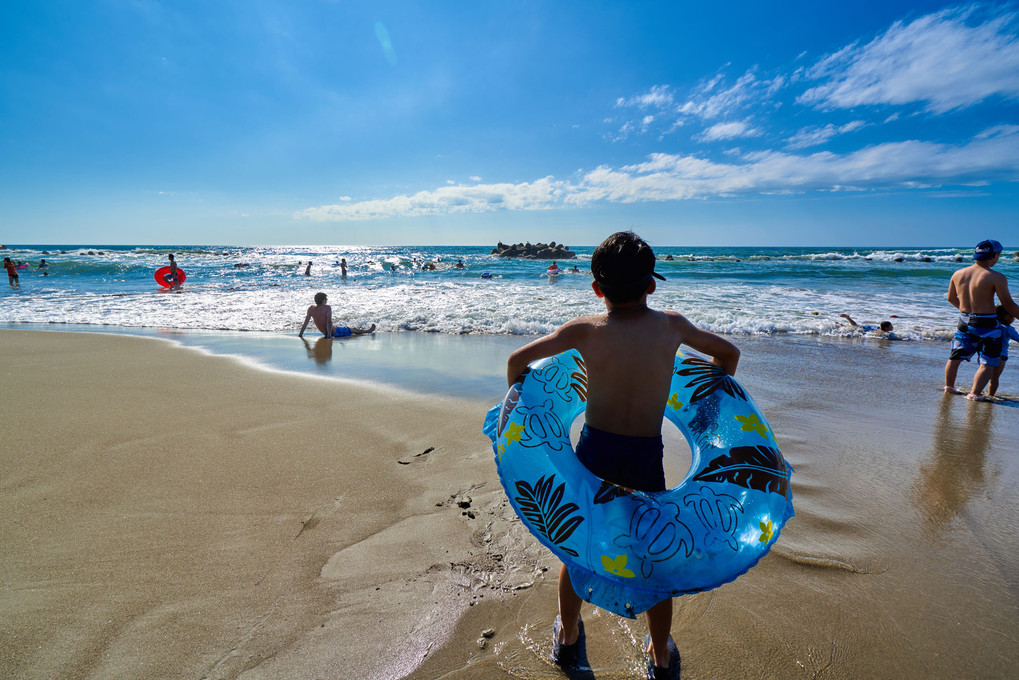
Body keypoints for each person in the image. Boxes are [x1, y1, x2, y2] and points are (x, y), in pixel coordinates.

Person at [505, 231, 739, 678]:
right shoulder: (673, 326)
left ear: (596, 289)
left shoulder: (583, 331)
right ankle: (659, 654)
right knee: (654, 550)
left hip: (595, 451)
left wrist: (524, 411)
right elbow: (728, 354)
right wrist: (708, 403)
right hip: (646, 457)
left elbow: (517, 362)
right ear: (652, 285)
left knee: (578, 546)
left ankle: (570, 637)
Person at [944, 239, 1019, 400]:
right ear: (995, 256)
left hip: (964, 321)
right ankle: (974, 394)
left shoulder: (958, 274)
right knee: (988, 362)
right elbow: (1008, 304)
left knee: (955, 357)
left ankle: (949, 387)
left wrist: (967, 313)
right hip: (987, 324)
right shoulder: (996, 277)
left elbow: (951, 298)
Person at [298, 292, 376, 339]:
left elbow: (306, 323)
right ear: (323, 301)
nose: (327, 301)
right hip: (335, 332)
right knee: (352, 329)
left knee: (352, 330)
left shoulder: (311, 308)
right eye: (326, 299)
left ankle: (361, 329)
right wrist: (329, 335)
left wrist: (301, 334)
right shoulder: (327, 308)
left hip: (330, 331)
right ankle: (368, 331)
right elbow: (329, 322)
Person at [989, 305, 1019, 399]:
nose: (1013, 319)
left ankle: (976, 390)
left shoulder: (992, 324)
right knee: (994, 378)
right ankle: (990, 395)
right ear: (1007, 316)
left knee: (984, 374)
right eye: (1013, 316)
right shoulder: (1008, 328)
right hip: (1001, 356)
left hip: (987, 353)